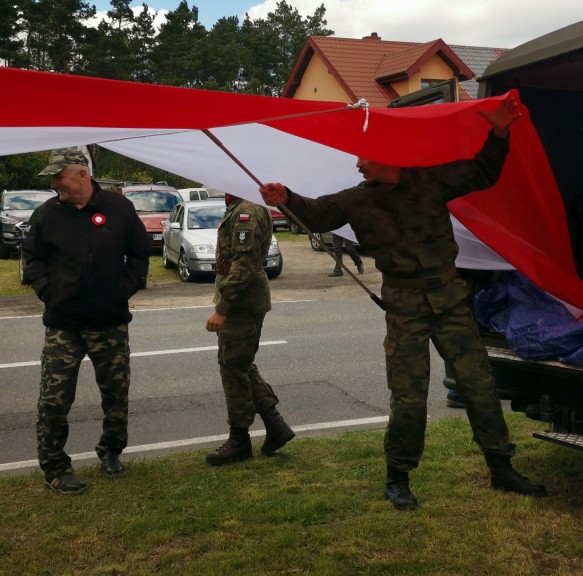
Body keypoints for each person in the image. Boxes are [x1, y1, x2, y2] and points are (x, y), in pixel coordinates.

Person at [259, 96, 547, 511]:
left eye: (363, 158)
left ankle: (502, 468)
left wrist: (499, 132)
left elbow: (483, 171)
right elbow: (318, 214)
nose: (358, 165)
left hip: (449, 299)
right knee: (408, 397)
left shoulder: (429, 181)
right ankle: (398, 477)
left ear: (387, 156)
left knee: (479, 386)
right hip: (405, 305)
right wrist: (286, 196)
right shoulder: (357, 199)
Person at [23, 147, 150, 494]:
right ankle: (55, 468)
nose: (54, 184)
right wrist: (49, 291)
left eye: (58, 176)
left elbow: (140, 252)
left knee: (116, 394)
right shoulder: (47, 214)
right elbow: (31, 258)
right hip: (64, 324)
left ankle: (110, 451)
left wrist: (124, 288)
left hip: (109, 321)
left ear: (81, 173)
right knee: (53, 400)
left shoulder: (118, 207)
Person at [204, 194, 295, 465]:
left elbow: (244, 265)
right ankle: (276, 426)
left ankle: (239, 440)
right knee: (240, 364)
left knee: (232, 368)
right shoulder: (238, 207)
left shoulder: (247, 211)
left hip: (241, 303)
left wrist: (223, 308)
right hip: (240, 300)